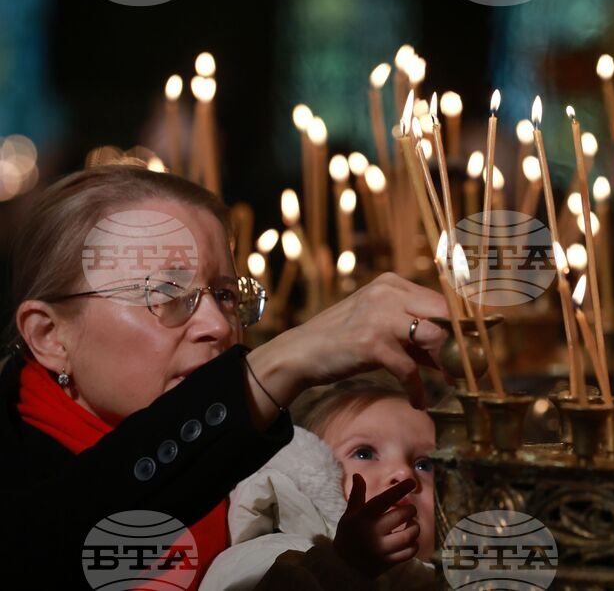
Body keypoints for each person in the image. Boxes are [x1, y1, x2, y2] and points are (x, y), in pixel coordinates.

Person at [0, 165, 448, 588]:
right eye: (163, 292)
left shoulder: (278, 468)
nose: (217, 325)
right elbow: (58, 537)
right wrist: (280, 363)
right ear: (51, 336)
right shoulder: (19, 480)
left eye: (226, 294)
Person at [200, 377, 436, 590]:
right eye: (364, 453)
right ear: (315, 472)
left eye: (425, 465)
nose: (404, 473)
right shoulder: (272, 553)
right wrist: (346, 566)